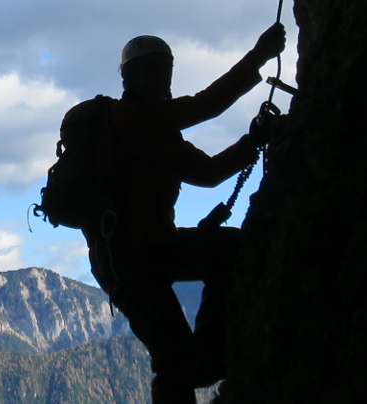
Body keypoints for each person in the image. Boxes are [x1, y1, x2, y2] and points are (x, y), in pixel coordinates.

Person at [85, 23, 285, 403]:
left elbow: (207, 174)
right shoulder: (127, 120)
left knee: (231, 249)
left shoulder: (158, 132)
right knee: (173, 361)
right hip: (128, 263)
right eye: (149, 68)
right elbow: (206, 106)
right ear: (128, 78)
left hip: (152, 250)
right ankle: (208, 358)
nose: (159, 75)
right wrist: (259, 55)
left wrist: (252, 141)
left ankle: (212, 354)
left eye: (164, 67)